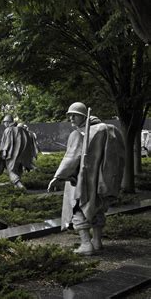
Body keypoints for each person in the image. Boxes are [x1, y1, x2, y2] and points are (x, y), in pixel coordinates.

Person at [47, 102, 125, 256]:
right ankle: (97, 242)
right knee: (97, 209)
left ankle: (85, 244)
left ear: (83, 116)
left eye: (74, 115)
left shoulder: (79, 134)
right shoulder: (106, 130)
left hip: (81, 182)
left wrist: (57, 176)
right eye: (69, 115)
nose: (71, 118)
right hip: (99, 182)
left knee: (77, 209)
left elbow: (71, 158)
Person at [0, 115, 36, 189]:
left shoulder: (8, 130)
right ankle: (16, 188)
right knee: (18, 169)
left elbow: (7, 142)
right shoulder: (21, 130)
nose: (4, 124)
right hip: (20, 155)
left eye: (4, 122)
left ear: (8, 122)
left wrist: (4, 151)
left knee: (10, 170)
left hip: (11, 154)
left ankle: (20, 186)